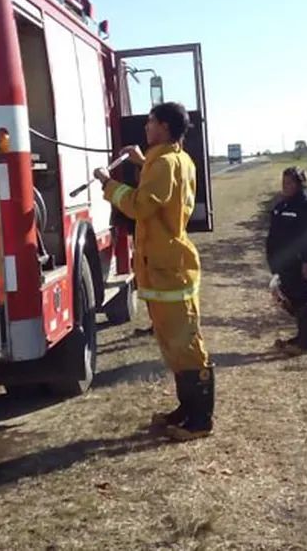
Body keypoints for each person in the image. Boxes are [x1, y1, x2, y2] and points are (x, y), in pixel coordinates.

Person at [93, 102, 214, 442]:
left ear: (163, 126)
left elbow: (142, 205)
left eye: (150, 122)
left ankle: (199, 420)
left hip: (168, 268)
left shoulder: (163, 163)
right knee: (172, 344)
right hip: (162, 267)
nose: (145, 127)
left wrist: (108, 184)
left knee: (186, 344)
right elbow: (165, 187)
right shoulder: (173, 159)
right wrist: (140, 162)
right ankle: (186, 409)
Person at [266, 166, 307, 355]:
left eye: (289, 182)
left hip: (299, 262)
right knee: (291, 297)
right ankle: (302, 337)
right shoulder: (281, 206)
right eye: (283, 182)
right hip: (283, 263)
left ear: (300, 184)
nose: (285, 186)